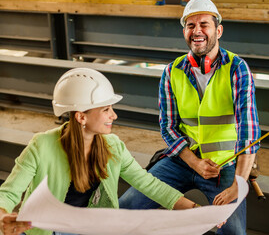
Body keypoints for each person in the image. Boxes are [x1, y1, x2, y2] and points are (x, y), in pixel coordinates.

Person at [118, 0, 261, 234]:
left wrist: (240, 182)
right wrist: (194, 162)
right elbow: (168, 126)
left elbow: (249, 131)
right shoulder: (172, 71)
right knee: (127, 206)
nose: (197, 31)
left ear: (219, 30)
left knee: (233, 232)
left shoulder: (237, 68)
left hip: (223, 165)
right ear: (184, 31)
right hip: (181, 160)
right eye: (190, 25)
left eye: (204, 24)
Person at [0, 68, 198, 235]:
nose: (114, 115)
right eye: (105, 109)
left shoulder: (113, 146)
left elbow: (149, 184)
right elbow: (8, 194)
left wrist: (193, 209)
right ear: (81, 117)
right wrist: (2, 216)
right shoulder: (42, 146)